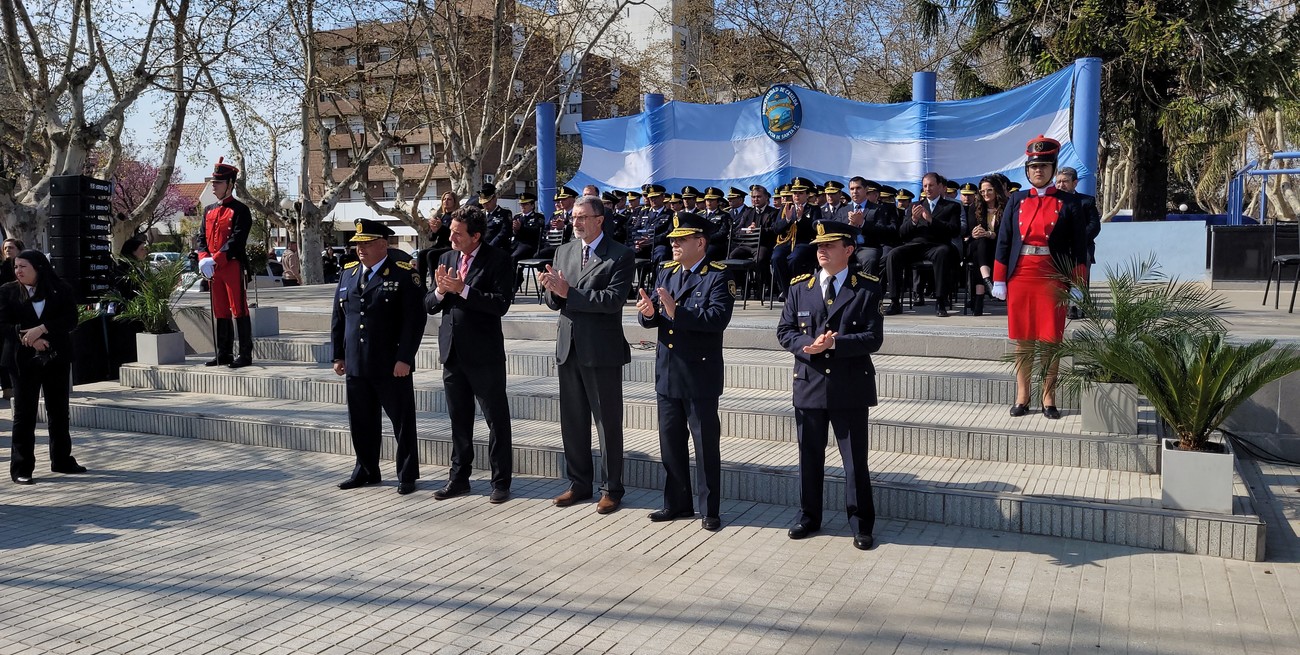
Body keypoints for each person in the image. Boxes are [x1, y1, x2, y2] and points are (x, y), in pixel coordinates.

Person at [776, 222, 883, 551]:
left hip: (849, 385)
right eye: (819, 245)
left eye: (830, 245)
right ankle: (809, 516)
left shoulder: (865, 287)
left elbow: (872, 338)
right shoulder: (800, 287)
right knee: (809, 456)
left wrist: (834, 346)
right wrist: (808, 344)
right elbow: (784, 331)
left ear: (848, 250)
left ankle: (861, 523)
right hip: (809, 383)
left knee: (854, 459)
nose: (821, 250)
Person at [635, 212, 735, 531]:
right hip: (667, 372)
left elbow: (717, 319)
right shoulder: (666, 272)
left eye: (681, 239)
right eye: (673, 239)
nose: (674, 244)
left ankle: (709, 510)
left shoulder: (718, 276)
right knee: (671, 445)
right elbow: (652, 315)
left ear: (700, 242)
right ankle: (677, 504)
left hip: (699, 375)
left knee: (705, 447)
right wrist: (649, 314)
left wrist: (677, 312)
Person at [538, 196, 635, 515]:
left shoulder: (619, 255)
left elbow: (612, 300)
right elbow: (556, 302)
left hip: (601, 350)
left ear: (599, 220)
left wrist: (569, 293)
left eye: (582, 217)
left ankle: (612, 488)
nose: (575, 222)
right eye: (573, 217)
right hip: (569, 346)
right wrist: (552, 291)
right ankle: (579, 483)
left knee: (607, 423)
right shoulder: (563, 250)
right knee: (573, 420)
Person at [990, 136, 1090, 419]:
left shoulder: (1069, 203)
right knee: (1024, 340)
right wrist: (999, 279)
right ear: (1027, 169)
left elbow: (1078, 248)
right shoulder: (1016, 200)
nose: (1039, 171)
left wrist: (1078, 284)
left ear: (1053, 168)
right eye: (1034, 167)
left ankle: (1049, 397)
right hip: (1020, 275)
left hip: (1052, 275)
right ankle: (1022, 395)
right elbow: (1004, 242)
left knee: (1050, 339)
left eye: (1045, 166)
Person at [425, 207, 515, 503]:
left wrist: (463, 290)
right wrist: (440, 291)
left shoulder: (499, 260)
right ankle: (459, 478)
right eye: (450, 230)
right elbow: (429, 304)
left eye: (457, 233)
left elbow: (499, 304)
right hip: (452, 353)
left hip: (484, 354)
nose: (450, 236)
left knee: (496, 420)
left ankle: (500, 481)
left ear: (475, 236)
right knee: (458, 421)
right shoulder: (445, 258)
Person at [331, 219, 427, 494]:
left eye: (368, 243)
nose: (361, 249)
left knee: (402, 421)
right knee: (361, 421)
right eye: (358, 244)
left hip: (390, 363)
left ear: (383, 245)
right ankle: (366, 469)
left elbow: (414, 321)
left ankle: (407, 474)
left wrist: (405, 358)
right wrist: (338, 355)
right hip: (357, 361)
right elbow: (339, 317)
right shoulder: (348, 273)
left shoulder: (403, 274)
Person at [1, 250, 84, 484]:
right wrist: (30, 338)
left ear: (38, 267)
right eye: (15, 266)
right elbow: (3, 324)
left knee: (58, 411)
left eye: (23, 266)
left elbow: (70, 319)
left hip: (56, 357)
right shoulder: (7, 291)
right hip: (21, 360)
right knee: (24, 414)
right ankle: (21, 469)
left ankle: (62, 460)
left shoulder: (60, 289)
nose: (18, 271)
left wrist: (43, 328)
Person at [197, 158, 254, 368]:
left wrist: (217, 258)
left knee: (238, 309)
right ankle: (224, 353)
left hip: (231, 264)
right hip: (213, 268)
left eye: (218, 182)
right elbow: (201, 237)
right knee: (220, 310)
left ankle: (245, 354)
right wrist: (203, 258)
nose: (214, 186)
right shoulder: (209, 210)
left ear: (230, 184)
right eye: (213, 182)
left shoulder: (240, 210)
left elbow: (237, 239)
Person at [883, 173, 962, 316]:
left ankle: (940, 301)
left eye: (931, 185)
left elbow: (954, 230)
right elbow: (902, 233)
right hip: (916, 245)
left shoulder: (952, 206)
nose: (928, 189)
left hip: (937, 245)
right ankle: (894, 302)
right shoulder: (915, 205)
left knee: (943, 253)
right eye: (925, 186)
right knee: (893, 254)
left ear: (939, 186)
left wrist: (932, 220)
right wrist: (913, 219)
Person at [1054, 166, 1102, 319]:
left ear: (1074, 183)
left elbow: (1094, 225)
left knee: (1080, 271)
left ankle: (1078, 308)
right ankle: (1061, 307)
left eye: (1065, 182)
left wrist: (1078, 240)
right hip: (1058, 247)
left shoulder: (1086, 201)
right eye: (1058, 182)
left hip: (1082, 246)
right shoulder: (1051, 202)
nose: (1061, 185)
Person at [963, 176, 1008, 317]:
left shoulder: (1006, 207)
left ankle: (979, 300)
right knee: (980, 243)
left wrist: (990, 234)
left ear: (996, 191)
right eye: (982, 192)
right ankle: (988, 280)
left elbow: (1007, 231)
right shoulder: (974, 207)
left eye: (989, 190)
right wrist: (975, 232)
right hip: (978, 243)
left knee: (979, 254)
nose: (986, 194)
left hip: (998, 244)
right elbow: (971, 229)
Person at [771, 177, 822, 300]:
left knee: (795, 259)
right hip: (786, 242)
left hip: (804, 243)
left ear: (807, 195)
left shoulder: (813, 209)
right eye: (795, 193)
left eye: (800, 193)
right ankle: (788, 292)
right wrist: (787, 220)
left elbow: (815, 229)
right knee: (776, 258)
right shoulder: (786, 208)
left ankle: (798, 289)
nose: (797, 196)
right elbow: (776, 229)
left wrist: (800, 219)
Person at [0, 238, 25, 400]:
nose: (8, 250)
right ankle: (7, 387)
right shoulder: (2, 267)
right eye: (5, 247)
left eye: (11, 247)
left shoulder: (24, 267)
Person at [479, 183, 514, 253]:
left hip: (498, 250)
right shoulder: (480, 214)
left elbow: (504, 233)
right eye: (483, 203)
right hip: (481, 249)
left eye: (488, 202)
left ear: (494, 199)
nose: (485, 205)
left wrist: (489, 247)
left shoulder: (504, 213)